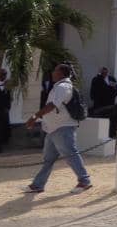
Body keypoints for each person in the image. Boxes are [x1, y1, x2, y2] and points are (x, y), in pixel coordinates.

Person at [25, 63, 92, 193]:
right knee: (48, 159)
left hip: (63, 127)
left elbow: (52, 105)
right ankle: (38, 185)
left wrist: (34, 117)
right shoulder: (58, 87)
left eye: (55, 70)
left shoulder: (63, 86)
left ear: (61, 73)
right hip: (53, 129)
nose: (52, 72)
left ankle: (84, 181)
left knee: (71, 154)